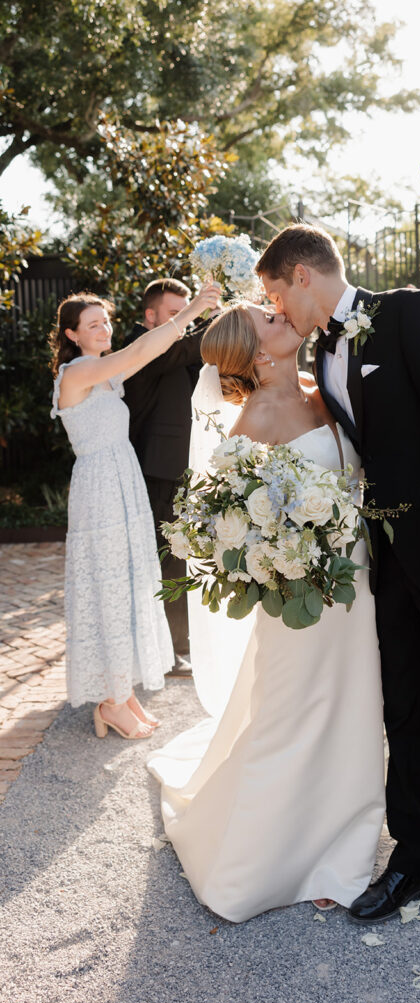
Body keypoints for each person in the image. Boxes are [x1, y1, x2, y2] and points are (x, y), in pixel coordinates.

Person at [256, 224, 420, 980]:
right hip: (388, 561)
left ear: (303, 275)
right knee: (404, 712)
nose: (276, 307)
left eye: (277, 293)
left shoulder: (404, 312)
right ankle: (414, 862)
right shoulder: (319, 350)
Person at [147, 303, 385, 921]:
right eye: (270, 321)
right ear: (257, 354)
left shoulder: (320, 389)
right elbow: (219, 515)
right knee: (291, 714)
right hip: (297, 595)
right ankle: (265, 857)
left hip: (349, 585)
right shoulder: (256, 416)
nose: (284, 316)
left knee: (352, 706)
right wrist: (274, 552)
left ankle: (344, 844)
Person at [49, 282, 221, 740]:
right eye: (92, 324)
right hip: (101, 489)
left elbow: (151, 349)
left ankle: (122, 694)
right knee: (110, 588)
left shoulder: (106, 373)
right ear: (72, 335)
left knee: (128, 586)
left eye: (105, 320)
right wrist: (194, 311)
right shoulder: (77, 373)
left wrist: (193, 318)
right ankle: (110, 702)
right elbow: (144, 346)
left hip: (122, 480)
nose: (104, 327)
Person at [123, 278, 215, 674]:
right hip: (155, 471)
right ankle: (173, 648)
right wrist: (227, 318)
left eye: (185, 315)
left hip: (185, 468)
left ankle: (182, 641)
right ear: (150, 317)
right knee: (169, 562)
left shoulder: (176, 349)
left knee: (187, 558)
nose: (184, 323)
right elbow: (187, 347)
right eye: (175, 315)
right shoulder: (137, 347)